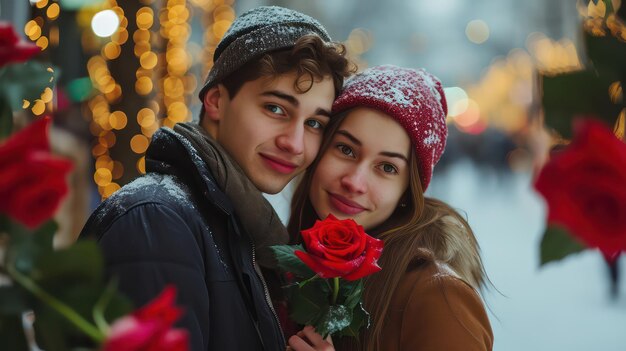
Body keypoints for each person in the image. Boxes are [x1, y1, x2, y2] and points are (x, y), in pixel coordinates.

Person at [79, 6, 353, 351]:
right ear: (216, 101)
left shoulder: (244, 228)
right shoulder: (156, 221)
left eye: (314, 123)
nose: (294, 143)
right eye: (276, 108)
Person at [286, 65, 493, 351]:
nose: (355, 182)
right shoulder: (280, 262)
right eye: (346, 149)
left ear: (407, 192)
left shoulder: (436, 296)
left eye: (387, 167)